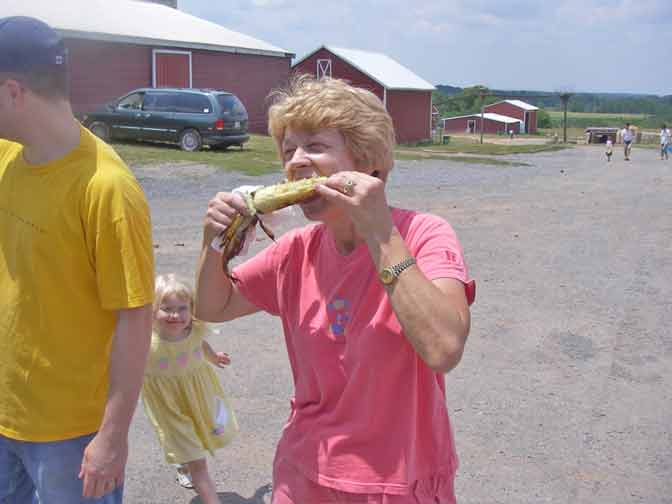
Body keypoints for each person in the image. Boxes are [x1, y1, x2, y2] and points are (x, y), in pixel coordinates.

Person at [195, 76, 476, 504]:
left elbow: (443, 349)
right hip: (304, 473)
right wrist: (215, 243)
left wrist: (380, 232)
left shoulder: (423, 235)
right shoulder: (296, 251)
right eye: (288, 150)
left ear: (368, 162)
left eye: (315, 146)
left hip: (398, 482)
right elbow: (213, 306)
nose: (296, 162)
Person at [0, 16, 155, 503]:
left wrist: (111, 438)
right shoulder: (8, 159)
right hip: (6, 417)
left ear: (11, 91)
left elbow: (135, 319)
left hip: (72, 438)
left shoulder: (106, 189)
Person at [142, 274, 238, 504]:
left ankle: (183, 463)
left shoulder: (194, 330)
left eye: (182, 308)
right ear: (153, 311)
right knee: (197, 460)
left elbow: (200, 344)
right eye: (167, 308)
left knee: (200, 434)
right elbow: (128, 362)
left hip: (198, 396)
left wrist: (214, 358)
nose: (176, 315)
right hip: (168, 405)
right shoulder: (147, 341)